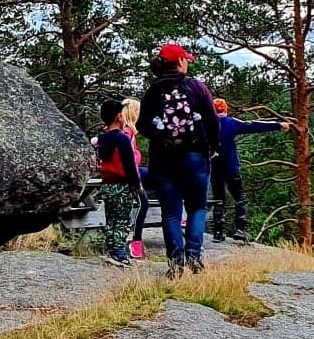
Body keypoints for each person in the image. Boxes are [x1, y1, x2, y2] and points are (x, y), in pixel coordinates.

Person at [138, 42, 220, 277]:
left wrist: (159, 134)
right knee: (197, 207)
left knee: (171, 213)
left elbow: (142, 124)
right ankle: (194, 256)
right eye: (186, 60)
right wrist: (213, 147)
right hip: (195, 157)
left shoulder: (153, 90)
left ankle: (176, 263)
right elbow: (213, 121)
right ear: (181, 62)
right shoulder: (196, 86)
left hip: (164, 159)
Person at [211, 98, 290, 243]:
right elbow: (254, 125)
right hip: (231, 166)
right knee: (240, 197)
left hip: (214, 167)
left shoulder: (206, 124)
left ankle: (218, 232)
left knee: (218, 198)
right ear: (225, 109)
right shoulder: (231, 122)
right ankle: (240, 230)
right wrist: (278, 125)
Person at [94, 99, 143, 268]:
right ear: (119, 117)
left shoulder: (103, 137)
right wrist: (137, 185)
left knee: (111, 219)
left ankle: (111, 250)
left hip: (107, 184)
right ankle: (120, 254)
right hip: (122, 186)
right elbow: (129, 165)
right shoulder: (121, 138)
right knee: (123, 220)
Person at [122, 98, 150, 260]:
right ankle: (136, 241)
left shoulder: (129, 132)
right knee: (143, 204)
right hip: (129, 175)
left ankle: (180, 214)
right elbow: (128, 160)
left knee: (163, 176)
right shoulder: (126, 133)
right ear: (133, 113)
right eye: (139, 111)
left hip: (136, 171)